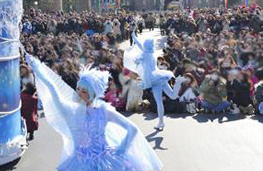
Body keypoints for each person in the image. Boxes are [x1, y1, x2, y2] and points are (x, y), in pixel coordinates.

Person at [26, 54, 163, 171]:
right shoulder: (72, 109)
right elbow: (54, 92)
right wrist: (38, 69)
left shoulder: (103, 111)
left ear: (92, 94)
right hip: (79, 162)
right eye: (78, 89)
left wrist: (120, 150)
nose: (79, 93)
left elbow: (132, 129)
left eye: (84, 91)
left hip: (105, 162)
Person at [124, 32, 186, 130]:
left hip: (154, 79)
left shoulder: (145, 55)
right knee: (172, 96)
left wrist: (137, 60)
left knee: (159, 102)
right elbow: (140, 47)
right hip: (159, 78)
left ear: (146, 46)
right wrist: (134, 38)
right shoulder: (150, 53)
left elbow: (141, 59)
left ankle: (161, 122)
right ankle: (161, 122)